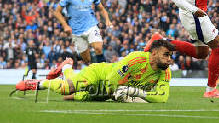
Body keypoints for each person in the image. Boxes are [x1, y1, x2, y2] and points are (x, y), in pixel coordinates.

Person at [15, 40, 175, 103]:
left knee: (70, 97)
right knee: (69, 87)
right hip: (100, 73)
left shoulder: (164, 72)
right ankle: (38, 84)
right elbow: (113, 77)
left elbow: (162, 98)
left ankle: (66, 67)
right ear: (153, 54)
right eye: (166, 55)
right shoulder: (135, 59)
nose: (169, 59)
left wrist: (133, 92)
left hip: (107, 91)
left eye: (170, 56)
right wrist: (115, 93)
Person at [53, 0, 112, 66]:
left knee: (98, 48)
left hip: (91, 26)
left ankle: (104, 71)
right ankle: (88, 67)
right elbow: (57, 12)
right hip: (77, 31)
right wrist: (65, 25)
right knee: (87, 59)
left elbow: (101, 8)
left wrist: (107, 19)